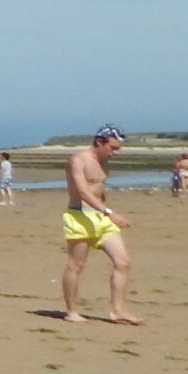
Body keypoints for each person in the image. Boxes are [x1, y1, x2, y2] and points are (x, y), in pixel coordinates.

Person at [61, 127, 139, 326]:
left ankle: (117, 310)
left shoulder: (104, 164)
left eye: (117, 149)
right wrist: (110, 213)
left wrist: (106, 213)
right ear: (99, 142)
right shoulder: (78, 159)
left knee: (123, 262)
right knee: (76, 265)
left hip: (102, 218)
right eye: (111, 148)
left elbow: (99, 191)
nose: (114, 153)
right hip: (80, 217)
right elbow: (83, 191)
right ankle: (71, 311)